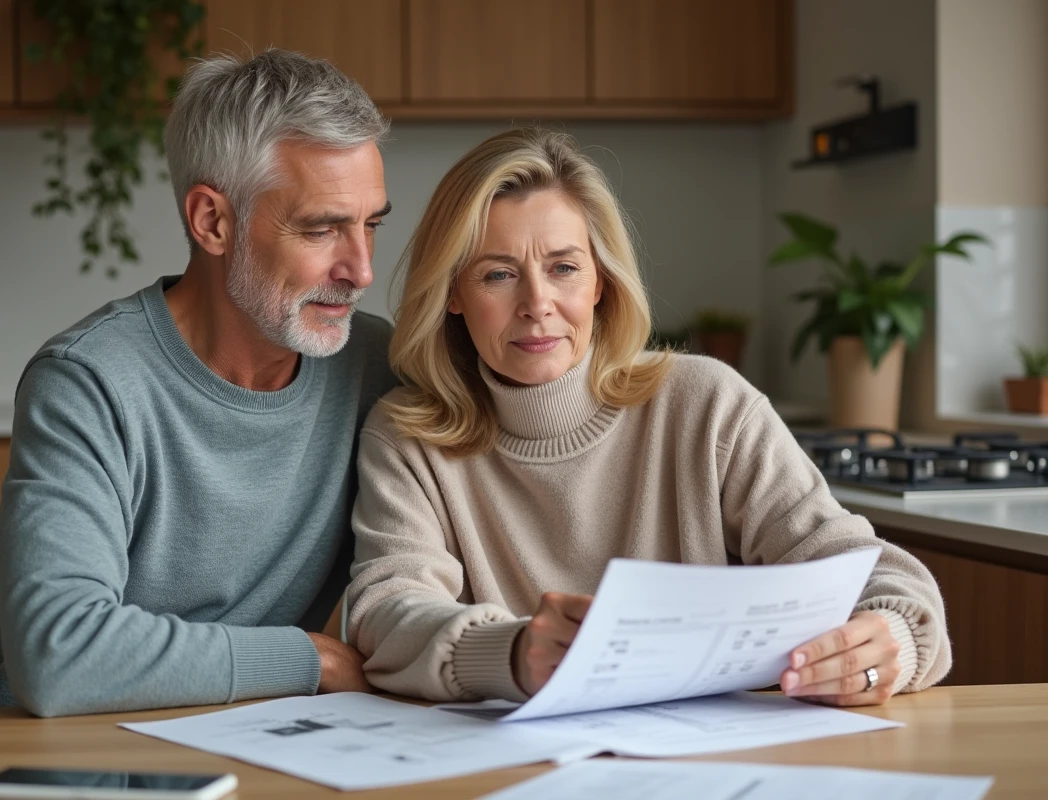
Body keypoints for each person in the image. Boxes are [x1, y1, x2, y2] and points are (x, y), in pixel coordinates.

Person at [346, 128, 950, 707]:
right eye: (498, 274)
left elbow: (873, 574)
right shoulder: (407, 436)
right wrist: (508, 653)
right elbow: (384, 612)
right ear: (453, 293)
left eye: (563, 267)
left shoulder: (707, 405)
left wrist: (890, 639)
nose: (537, 305)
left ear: (601, 283)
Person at [0, 50, 396, 717]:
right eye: (321, 228)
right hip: (57, 756)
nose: (361, 270)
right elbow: (59, 654)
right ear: (212, 221)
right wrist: (313, 658)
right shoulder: (88, 382)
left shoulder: (377, 365)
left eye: (370, 224)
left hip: (247, 738)